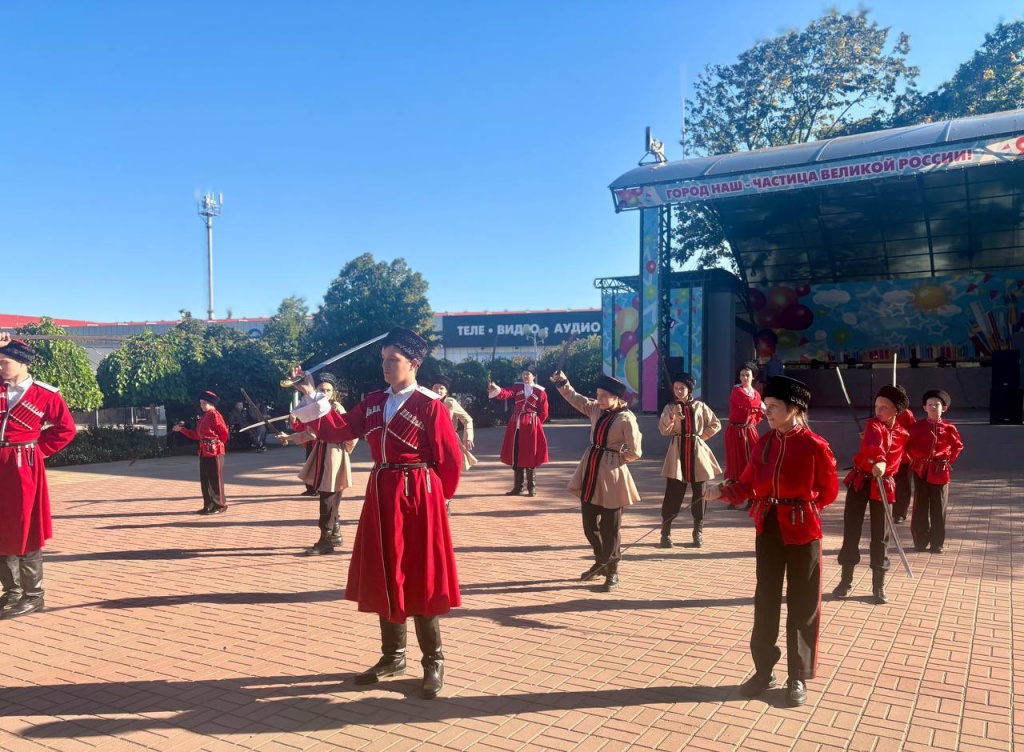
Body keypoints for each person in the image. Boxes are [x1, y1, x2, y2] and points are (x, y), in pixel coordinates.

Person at [289, 327, 463, 699]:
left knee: (419, 574)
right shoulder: (372, 403)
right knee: (386, 570)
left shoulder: (430, 405)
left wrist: (437, 500)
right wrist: (309, 393)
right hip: (383, 493)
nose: (385, 365)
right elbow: (337, 430)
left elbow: (450, 461)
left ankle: (433, 661)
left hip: (419, 495)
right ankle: (392, 657)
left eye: (393, 359)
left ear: (413, 363)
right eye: (382, 358)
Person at [706, 375, 839, 707]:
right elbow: (747, 485)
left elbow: (829, 491)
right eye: (766, 406)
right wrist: (720, 491)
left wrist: (803, 508)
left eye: (774, 407)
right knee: (765, 600)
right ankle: (764, 670)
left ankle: (797, 676)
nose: (767, 412)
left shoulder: (815, 446)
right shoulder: (764, 443)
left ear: (795, 409)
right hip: (768, 528)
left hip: (803, 531)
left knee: (803, 603)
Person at [0, 335, 77, 620]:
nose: (0, 367)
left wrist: (37, 450)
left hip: (23, 465)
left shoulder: (46, 394)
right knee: (1, 527)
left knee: (25, 526)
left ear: (22, 362)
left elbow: (66, 429)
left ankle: (33, 595)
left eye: (4, 362)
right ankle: (11, 591)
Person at [551, 370, 642, 592]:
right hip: (590, 468)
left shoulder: (626, 418)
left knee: (610, 527)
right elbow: (575, 398)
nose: (599, 399)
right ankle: (601, 561)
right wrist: (563, 382)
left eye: (604, 395)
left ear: (616, 397)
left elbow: (636, 450)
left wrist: (618, 458)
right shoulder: (594, 409)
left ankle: (612, 570)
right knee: (590, 526)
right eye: (598, 394)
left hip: (611, 474)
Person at [833, 384, 911, 604]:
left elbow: (900, 454)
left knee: (881, 535)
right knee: (852, 529)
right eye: (877, 406)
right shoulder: (872, 425)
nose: (878, 411)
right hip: (862, 481)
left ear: (896, 410)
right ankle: (845, 580)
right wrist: (880, 460)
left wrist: (886, 465)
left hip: (884, 485)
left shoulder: (903, 434)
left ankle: (879, 584)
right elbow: (874, 445)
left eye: (884, 407)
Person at [277, 373, 357, 556]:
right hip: (322, 452)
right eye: (322, 390)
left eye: (328, 390)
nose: (325, 393)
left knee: (329, 497)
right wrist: (289, 437)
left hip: (335, 455)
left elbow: (352, 434)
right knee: (329, 497)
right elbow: (310, 433)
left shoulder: (336, 408)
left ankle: (326, 539)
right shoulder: (316, 409)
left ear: (333, 392)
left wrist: (342, 452)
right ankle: (334, 534)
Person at [658, 372, 721, 548]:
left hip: (697, 453)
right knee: (673, 494)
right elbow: (663, 430)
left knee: (700, 494)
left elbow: (716, 423)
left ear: (689, 389)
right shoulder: (670, 407)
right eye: (676, 388)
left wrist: (701, 437)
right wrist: (672, 417)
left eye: (682, 388)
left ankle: (697, 532)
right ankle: (665, 533)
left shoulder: (700, 406)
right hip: (677, 453)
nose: (679, 391)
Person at [906, 389, 963, 554]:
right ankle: (920, 541)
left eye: (936, 405)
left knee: (939, 507)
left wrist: (948, 459)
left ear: (943, 408)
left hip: (940, 472)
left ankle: (937, 542)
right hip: (921, 470)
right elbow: (907, 446)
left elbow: (957, 446)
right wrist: (916, 457)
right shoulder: (916, 427)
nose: (932, 407)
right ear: (924, 407)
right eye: (929, 404)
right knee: (920, 506)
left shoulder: (949, 428)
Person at [488, 364, 549, 497]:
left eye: (528, 374)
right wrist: (496, 388)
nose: (525, 376)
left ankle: (532, 488)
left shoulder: (540, 392)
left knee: (530, 456)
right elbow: (506, 393)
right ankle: (518, 487)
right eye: (524, 374)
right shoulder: (517, 387)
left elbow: (544, 412)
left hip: (531, 427)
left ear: (534, 376)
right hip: (516, 426)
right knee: (516, 455)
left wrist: (535, 423)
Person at [173, 391, 230, 515]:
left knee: (215, 479)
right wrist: (182, 430)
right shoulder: (204, 416)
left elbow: (224, 433)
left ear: (211, 403)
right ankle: (208, 505)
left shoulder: (214, 415)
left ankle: (220, 505)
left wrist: (218, 444)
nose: (202, 405)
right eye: (201, 403)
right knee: (205, 480)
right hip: (204, 451)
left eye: (205, 403)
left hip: (215, 451)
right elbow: (196, 435)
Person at [430, 374, 476, 514]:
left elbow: (468, 419)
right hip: (430, 441)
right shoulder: (426, 401)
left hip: (448, 440)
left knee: (448, 471)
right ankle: (433, 501)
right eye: (436, 387)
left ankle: (445, 501)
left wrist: (467, 437)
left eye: (441, 388)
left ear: (446, 391)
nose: (438, 391)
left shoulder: (450, 403)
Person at [723, 362, 764, 511]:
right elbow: (749, 403)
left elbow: (759, 415)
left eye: (747, 375)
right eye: (742, 375)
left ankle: (752, 498)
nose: (744, 377)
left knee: (752, 463)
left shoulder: (756, 393)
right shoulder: (737, 391)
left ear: (753, 377)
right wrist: (761, 404)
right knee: (735, 464)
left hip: (750, 431)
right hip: (736, 431)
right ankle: (734, 498)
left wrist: (760, 407)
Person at [891, 403, 917, 523]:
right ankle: (889, 510)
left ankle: (900, 513)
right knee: (890, 485)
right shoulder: (884, 410)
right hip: (889, 456)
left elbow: (913, 432)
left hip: (904, 456)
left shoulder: (906, 413)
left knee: (903, 486)